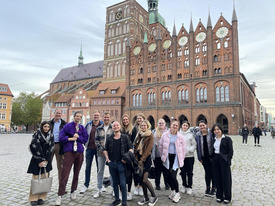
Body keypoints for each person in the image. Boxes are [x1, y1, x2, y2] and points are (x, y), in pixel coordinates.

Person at [55, 111, 88, 206]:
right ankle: (60, 195)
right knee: (65, 174)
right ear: (74, 117)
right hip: (69, 152)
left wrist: (78, 138)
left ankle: (73, 191)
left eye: (80, 117)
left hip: (79, 153)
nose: (78, 118)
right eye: (77, 116)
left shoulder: (82, 128)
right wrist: (71, 139)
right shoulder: (68, 126)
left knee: (76, 173)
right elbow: (61, 138)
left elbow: (85, 139)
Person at [104, 121, 133, 206]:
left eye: (117, 125)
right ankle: (117, 200)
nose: (115, 127)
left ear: (120, 127)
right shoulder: (109, 138)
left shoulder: (125, 137)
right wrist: (108, 160)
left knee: (123, 184)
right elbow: (105, 149)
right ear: (112, 128)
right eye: (114, 126)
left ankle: (124, 202)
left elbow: (131, 149)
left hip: (122, 163)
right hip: (112, 163)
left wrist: (126, 158)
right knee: (115, 183)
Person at [27, 121, 54, 205]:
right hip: (37, 159)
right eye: (45, 126)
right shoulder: (37, 135)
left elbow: (51, 149)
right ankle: (33, 198)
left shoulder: (51, 136)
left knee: (44, 178)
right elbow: (34, 148)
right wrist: (40, 161)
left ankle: (41, 197)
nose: (46, 128)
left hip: (47, 160)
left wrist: (46, 160)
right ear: (42, 127)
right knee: (36, 179)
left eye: (48, 127)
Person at [159, 120, 186, 203]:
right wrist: (162, 156)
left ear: (178, 127)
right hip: (167, 157)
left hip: (175, 158)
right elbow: (160, 146)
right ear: (170, 126)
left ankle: (177, 193)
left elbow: (184, 149)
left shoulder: (180, 137)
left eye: (176, 125)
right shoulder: (165, 135)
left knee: (173, 176)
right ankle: (173, 190)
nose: (174, 126)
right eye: (173, 125)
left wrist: (181, 158)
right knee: (167, 176)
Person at [134, 120, 158, 206]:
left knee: (145, 179)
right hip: (139, 159)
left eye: (145, 125)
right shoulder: (139, 135)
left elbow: (148, 149)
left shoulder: (150, 135)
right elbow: (136, 147)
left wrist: (142, 159)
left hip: (146, 159)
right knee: (141, 180)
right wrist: (136, 158)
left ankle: (154, 196)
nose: (143, 127)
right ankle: (146, 197)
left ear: (147, 126)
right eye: (142, 125)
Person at [80, 110, 103, 194]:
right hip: (89, 148)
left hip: (99, 149)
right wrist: (84, 143)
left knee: (99, 168)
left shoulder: (102, 124)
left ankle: (100, 185)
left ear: (99, 116)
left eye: (97, 115)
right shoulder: (88, 124)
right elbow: (84, 134)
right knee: (88, 167)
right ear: (92, 116)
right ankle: (86, 185)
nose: (96, 117)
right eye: (95, 115)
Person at [212, 123, 233, 204]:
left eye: (218, 129)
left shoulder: (227, 139)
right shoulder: (214, 139)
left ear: (221, 130)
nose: (216, 131)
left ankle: (227, 196)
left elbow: (230, 151)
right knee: (217, 178)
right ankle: (219, 195)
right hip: (216, 159)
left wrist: (228, 160)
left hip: (224, 159)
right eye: (215, 130)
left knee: (226, 179)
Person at [94, 111, 113, 198]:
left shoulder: (113, 128)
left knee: (112, 171)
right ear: (103, 118)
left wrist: (109, 150)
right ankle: (99, 189)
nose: (106, 119)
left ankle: (113, 189)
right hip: (101, 153)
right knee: (100, 171)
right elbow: (96, 140)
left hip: (111, 153)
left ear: (110, 118)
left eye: (108, 117)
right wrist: (102, 149)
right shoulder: (99, 128)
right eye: (105, 117)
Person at [195, 120, 216, 197]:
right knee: (207, 173)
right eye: (200, 126)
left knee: (213, 172)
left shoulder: (211, 133)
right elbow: (198, 147)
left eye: (203, 125)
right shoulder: (197, 135)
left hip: (212, 156)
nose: (202, 127)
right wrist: (199, 158)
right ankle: (207, 187)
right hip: (204, 157)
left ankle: (214, 187)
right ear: (199, 127)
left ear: (206, 125)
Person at [121, 114, 137, 200]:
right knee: (121, 172)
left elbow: (134, 142)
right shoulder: (120, 129)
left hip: (129, 153)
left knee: (129, 173)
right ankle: (121, 191)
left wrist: (130, 153)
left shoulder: (133, 129)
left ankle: (129, 192)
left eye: (126, 119)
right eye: (124, 120)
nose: (125, 121)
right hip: (121, 153)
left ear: (129, 120)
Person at [179, 120, 196, 195]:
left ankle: (189, 186)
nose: (185, 126)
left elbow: (194, 144)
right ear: (181, 126)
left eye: (186, 125)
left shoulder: (191, 135)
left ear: (188, 126)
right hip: (181, 157)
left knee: (189, 172)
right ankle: (184, 185)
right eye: (184, 125)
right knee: (182, 172)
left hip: (189, 156)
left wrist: (190, 149)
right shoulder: (178, 134)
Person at [152, 118, 169, 190]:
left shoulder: (168, 132)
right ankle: (157, 184)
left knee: (166, 170)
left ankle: (167, 184)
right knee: (157, 171)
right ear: (157, 124)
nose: (161, 124)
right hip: (157, 154)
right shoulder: (154, 132)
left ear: (165, 124)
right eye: (160, 123)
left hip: (166, 155)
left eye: (162, 123)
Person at [50, 109, 66, 185]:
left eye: (59, 113)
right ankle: (44, 185)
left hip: (59, 145)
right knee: (47, 164)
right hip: (49, 145)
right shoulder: (49, 123)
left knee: (61, 166)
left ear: (61, 115)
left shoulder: (64, 124)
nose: (58, 115)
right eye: (57, 113)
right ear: (54, 113)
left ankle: (61, 186)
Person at [132, 113, 145, 196]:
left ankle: (140, 186)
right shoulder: (134, 129)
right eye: (138, 118)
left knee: (142, 171)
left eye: (140, 118)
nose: (139, 120)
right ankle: (136, 186)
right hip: (135, 153)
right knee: (135, 171)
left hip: (143, 153)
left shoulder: (146, 128)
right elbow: (132, 140)